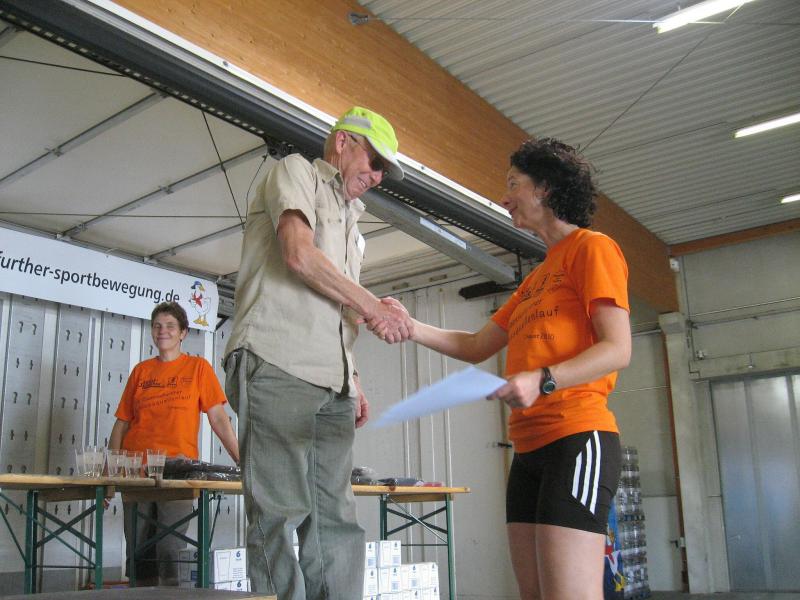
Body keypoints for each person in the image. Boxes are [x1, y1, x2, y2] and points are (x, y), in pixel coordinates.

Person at [373, 138, 631, 600]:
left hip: (577, 438)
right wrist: (410, 327)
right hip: (528, 450)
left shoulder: (593, 249)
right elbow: (476, 345)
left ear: (545, 188)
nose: (505, 197)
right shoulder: (535, 280)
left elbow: (617, 348)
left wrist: (544, 379)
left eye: (514, 184)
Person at [223, 106, 409, 600]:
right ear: (343, 142)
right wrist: (372, 306)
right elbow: (298, 254)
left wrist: (355, 377)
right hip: (277, 361)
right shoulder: (296, 172)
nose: (376, 176)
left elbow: (339, 308)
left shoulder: (353, 226)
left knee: (336, 518)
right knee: (278, 512)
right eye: (374, 161)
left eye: (383, 171)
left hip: (334, 382)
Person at [109, 301, 239, 586]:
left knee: (170, 550)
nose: (162, 331)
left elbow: (219, 418)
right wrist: (111, 473)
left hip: (177, 472)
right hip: (136, 472)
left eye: (170, 326)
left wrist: (241, 460)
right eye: (157, 326)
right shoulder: (141, 372)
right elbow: (122, 424)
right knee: (138, 554)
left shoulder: (198, 368)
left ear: (183, 333)